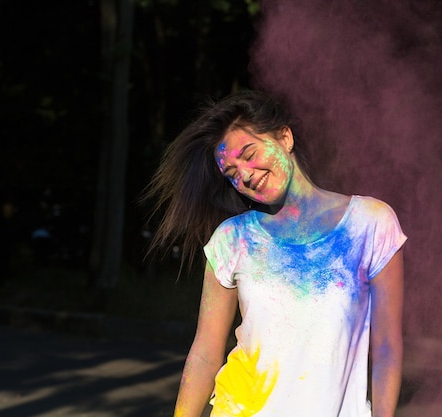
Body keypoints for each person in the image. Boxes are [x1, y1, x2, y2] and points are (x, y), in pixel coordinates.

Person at [143, 90, 407, 417]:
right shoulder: (232, 240)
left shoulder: (370, 224)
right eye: (232, 173)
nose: (246, 174)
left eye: (250, 153)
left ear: (284, 137)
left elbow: (385, 347)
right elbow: (205, 354)